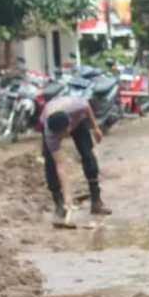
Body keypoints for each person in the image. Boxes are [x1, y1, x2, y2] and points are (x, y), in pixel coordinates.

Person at [42, 95, 112, 223]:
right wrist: (68, 196)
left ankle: (96, 201)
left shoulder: (78, 107)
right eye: (60, 135)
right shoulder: (50, 133)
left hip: (78, 120)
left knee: (88, 155)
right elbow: (61, 166)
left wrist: (95, 128)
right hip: (54, 117)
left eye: (64, 133)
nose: (64, 137)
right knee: (50, 163)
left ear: (69, 126)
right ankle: (59, 204)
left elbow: (87, 108)